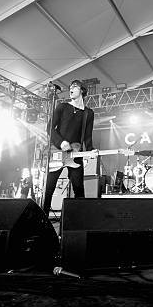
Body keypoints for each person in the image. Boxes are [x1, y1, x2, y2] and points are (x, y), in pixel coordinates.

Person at [43, 80, 94, 214]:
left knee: (78, 187)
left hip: (75, 154)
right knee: (49, 187)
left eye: (75, 87)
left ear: (82, 90)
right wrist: (60, 142)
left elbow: (88, 136)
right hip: (58, 152)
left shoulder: (88, 113)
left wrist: (90, 151)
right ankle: (43, 217)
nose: (71, 88)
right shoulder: (62, 107)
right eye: (70, 86)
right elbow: (49, 128)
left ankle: (79, 220)